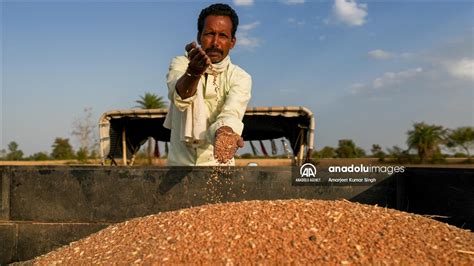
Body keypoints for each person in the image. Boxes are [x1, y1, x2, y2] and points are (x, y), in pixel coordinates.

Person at [163, 3, 252, 166]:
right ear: (199, 37)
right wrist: (193, 74)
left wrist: (225, 132)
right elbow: (179, 96)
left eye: (223, 36)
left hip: (218, 166)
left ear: (232, 42)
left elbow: (232, 112)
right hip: (179, 166)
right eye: (209, 34)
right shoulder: (181, 64)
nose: (215, 42)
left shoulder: (240, 77)